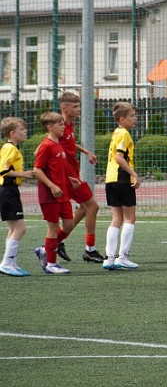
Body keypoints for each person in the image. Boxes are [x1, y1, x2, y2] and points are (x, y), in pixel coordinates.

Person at [56, 92, 103, 263]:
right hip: (68, 176)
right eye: (75, 106)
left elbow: (68, 143)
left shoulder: (68, 126)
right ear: (64, 108)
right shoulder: (58, 125)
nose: (79, 109)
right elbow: (50, 148)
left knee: (84, 208)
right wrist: (66, 176)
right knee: (93, 207)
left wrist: (85, 151)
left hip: (72, 174)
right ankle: (89, 250)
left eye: (78, 106)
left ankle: (57, 241)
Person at [33, 112, 77, 274]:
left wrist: (70, 179)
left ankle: (46, 249)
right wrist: (51, 186)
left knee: (69, 224)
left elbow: (58, 168)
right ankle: (51, 263)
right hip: (50, 195)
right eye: (60, 124)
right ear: (50, 127)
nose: (63, 127)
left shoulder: (58, 145)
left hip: (63, 193)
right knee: (52, 227)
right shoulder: (46, 146)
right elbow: (37, 170)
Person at [102, 102, 141, 270]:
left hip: (110, 179)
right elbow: (119, 157)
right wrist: (134, 174)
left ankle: (109, 258)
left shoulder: (116, 132)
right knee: (130, 218)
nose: (135, 119)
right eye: (132, 116)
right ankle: (122, 257)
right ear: (122, 119)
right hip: (122, 178)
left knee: (116, 219)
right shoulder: (124, 134)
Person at [0, 117, 34, 276]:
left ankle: (10, 262)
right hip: (8, 189)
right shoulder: (10, 149)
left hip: (9, 190)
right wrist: (24, 174)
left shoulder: (12, 148)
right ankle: (7, 263)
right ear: (12, 133)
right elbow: (3, 171)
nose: (25, 131)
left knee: (13, 228)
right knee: (20, 228)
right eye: (22, 129)